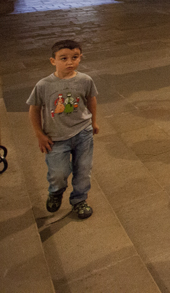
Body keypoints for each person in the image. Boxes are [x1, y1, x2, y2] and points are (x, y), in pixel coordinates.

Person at [27, 40, 99, 220]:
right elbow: (34, 108)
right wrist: (39, 134)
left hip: (83, 132)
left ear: (80, 58)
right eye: (64, 58)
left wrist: (94, 122)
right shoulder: (44, 85)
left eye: (75, 58)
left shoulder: (85, 80)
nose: (70, 62)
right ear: (53, 61)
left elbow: (91, 100)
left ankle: (79, 200)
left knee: (83, 169)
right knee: (58, 172)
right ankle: (56, 191)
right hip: (56, 137)